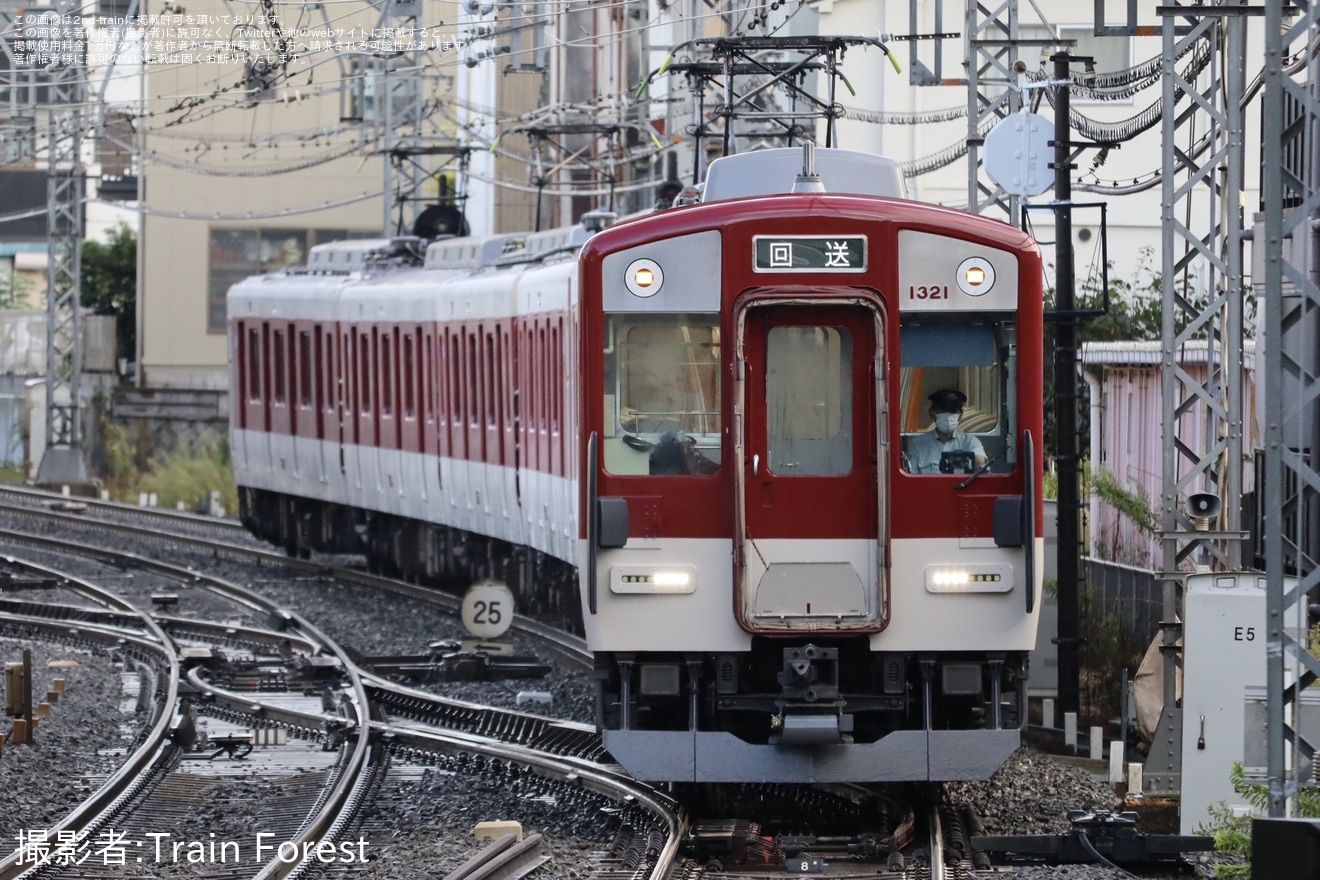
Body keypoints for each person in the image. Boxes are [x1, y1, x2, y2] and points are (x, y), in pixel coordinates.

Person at [905, 388, 987, 474]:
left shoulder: (970, 442)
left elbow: (980, 463)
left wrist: (972, 461)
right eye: (943, 410)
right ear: (932, 413)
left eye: (953, 411)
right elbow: (911, 479)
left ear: (960, 415)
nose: (948, 416)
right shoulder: (917, 445)